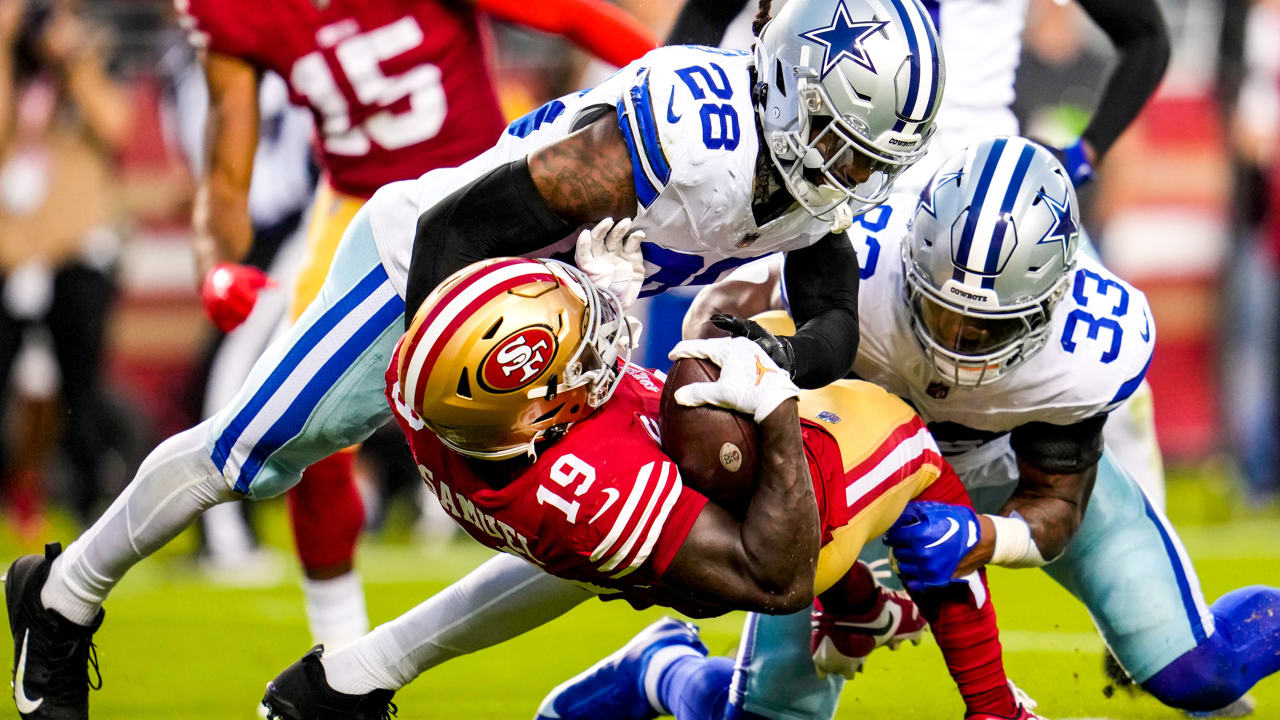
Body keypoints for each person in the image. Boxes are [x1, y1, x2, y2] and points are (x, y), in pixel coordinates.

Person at [3, 0, 945, 717]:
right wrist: (445, 406)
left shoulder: (817, 179)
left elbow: (829, 323)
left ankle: (355, 679)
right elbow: (468, 226)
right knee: (253, 457)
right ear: (781, 83)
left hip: (569, 333)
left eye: (871, 157)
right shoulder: (695, 137)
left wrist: (765, 356)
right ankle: (62, 595)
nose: (850, 172)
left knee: (610, 537)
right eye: (838, 141)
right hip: (431, 268)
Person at [261, 255, 1033, 720]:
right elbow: (778, 577)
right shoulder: (596, 492)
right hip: (762, 543)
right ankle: (993, 703)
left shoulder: (433, 404)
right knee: (908, 440)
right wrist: (775, 412)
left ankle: (822, 623)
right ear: (535, 414)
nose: (600, 347)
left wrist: (580, 294)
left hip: (653, 509)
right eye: (573, 358)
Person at [666, 137, 1280, 718]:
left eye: (988, 327)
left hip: (1007, 468)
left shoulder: (1087, 348)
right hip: (858, 488)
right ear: (913, 260)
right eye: (942, 310)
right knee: (769, 713)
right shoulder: (860, 263)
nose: (958, 345)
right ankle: (663, 669)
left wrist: (984, 537)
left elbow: (1056, 504)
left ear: (1052, 300)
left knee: (1200, 673)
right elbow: (715, 332)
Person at [175, 0, 662, 648]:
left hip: (487, 189)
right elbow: (225, 174)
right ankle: (337, 652)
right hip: (358, 216)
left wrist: (673, 88)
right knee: (307, 436)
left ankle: (638, 558)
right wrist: (218, 268)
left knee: (567, 397)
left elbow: (575, 17)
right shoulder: (235, 12)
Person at [670, 0, 1172, 511]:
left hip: (987, 212)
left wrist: (1083, 151)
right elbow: (707, 18)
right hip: (843, 188)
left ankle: (1137, 533)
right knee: (759, 357)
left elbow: (1146, 37)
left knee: (1120, 388)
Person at [0, 0, 131, 528]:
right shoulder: (13, 65)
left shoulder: (91, 52)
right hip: (12, 253)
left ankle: (88, 503)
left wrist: (72, 58)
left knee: (81, 383)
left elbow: (115, 127)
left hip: (76, 249)